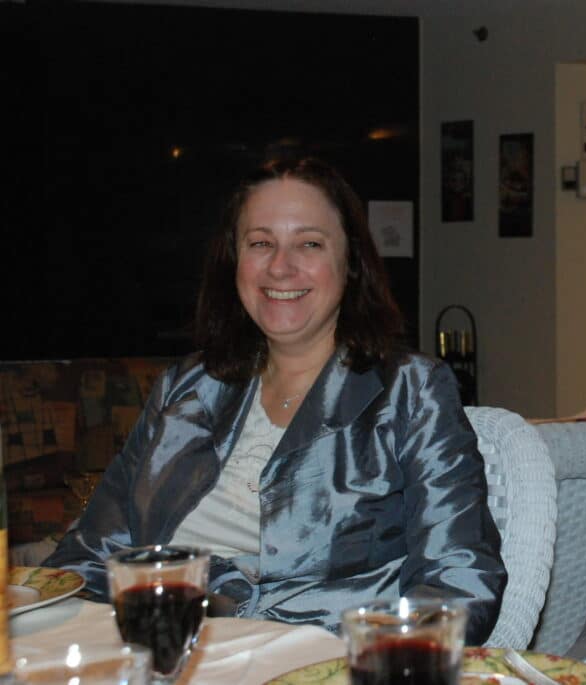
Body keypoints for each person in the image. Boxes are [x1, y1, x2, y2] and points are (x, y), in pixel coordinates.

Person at [44, 157, 506, 643]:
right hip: (159, 651)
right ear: (233, 262)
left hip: (317, 660)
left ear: (350, 264)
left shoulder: (411, 389)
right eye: (260, 243)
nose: (280, 266)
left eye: (309, 243)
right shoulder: (184, 386)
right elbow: (90, 556)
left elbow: (459, 577)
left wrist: (386, 663)